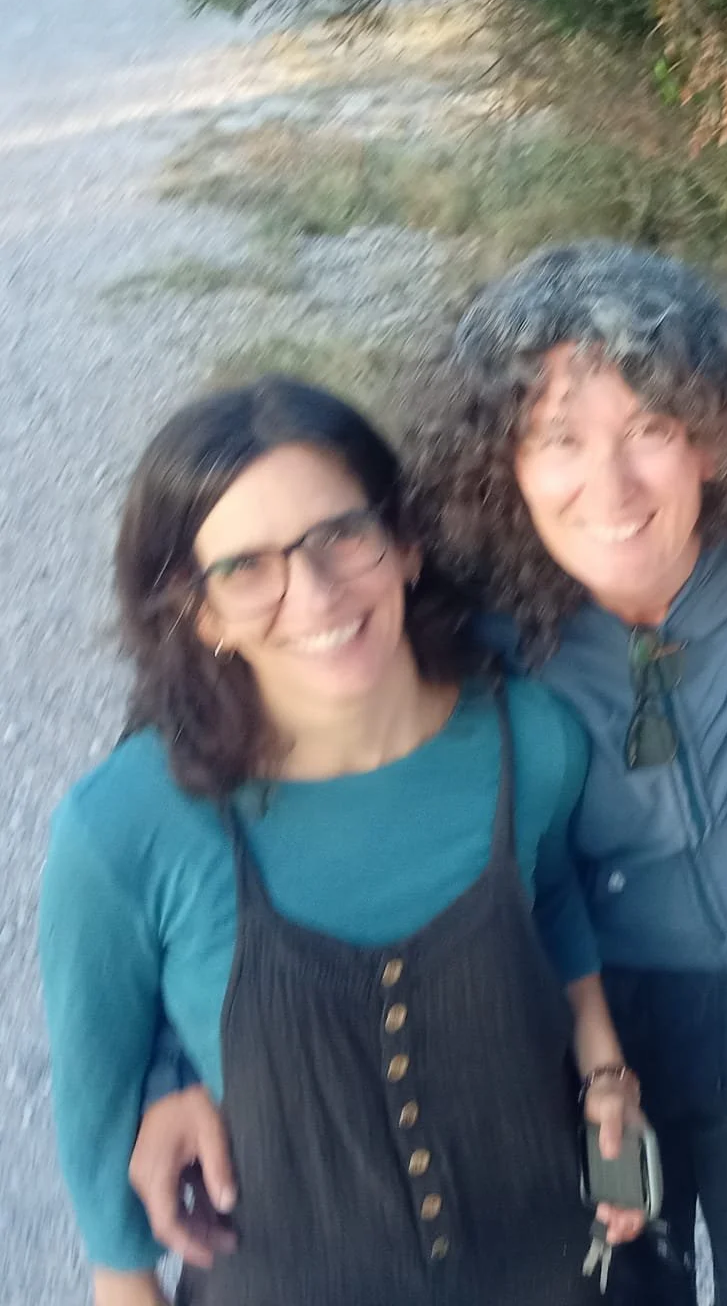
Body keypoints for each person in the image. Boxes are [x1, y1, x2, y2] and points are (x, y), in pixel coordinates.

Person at [39, 378, 645, 1306]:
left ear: (405, 544)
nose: (314, 594)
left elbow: (554, 897)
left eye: (341, 536)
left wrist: (603, 1068)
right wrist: (126, 1281)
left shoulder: (532, 739)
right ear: (201, 615)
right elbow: (97, 1094)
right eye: (246, 568)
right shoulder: (125, 827)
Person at [408, 242, 727, 1306]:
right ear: (503, 463)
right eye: (559, 440)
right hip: (594, 1036)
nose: (612, 486)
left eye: (651, 430)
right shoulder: (460, 632)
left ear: (712, 438)